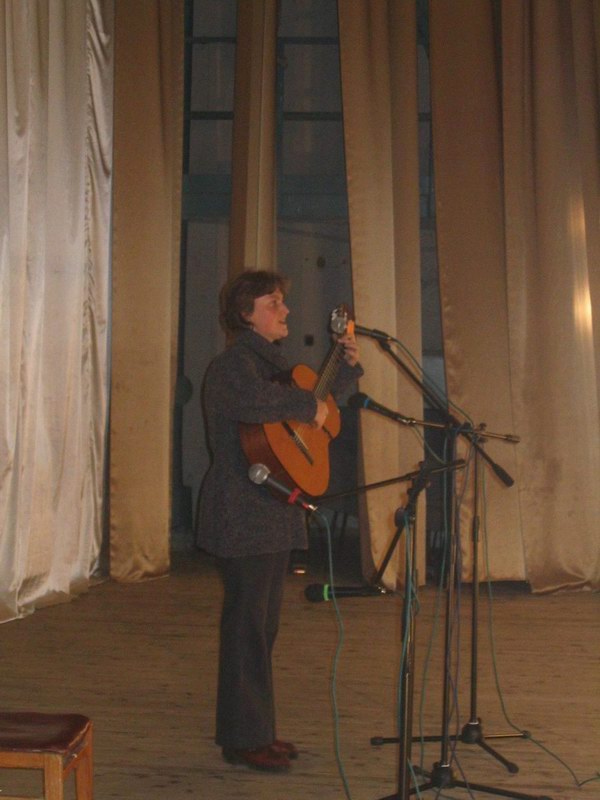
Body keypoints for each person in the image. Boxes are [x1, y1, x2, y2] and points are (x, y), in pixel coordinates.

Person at [196, 269, 363, 772]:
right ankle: (244, 739)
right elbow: (260, 402)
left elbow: (313, 404)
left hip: (268, 511)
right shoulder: (233, 366)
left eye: (282, 302)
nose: (285, 310)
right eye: (273, 303)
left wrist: (346, 368)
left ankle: (255, 731)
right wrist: (308, 403)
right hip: (241, 512)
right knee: (248, 628)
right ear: (246, 314)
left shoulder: (271, 365)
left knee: (261, 628)